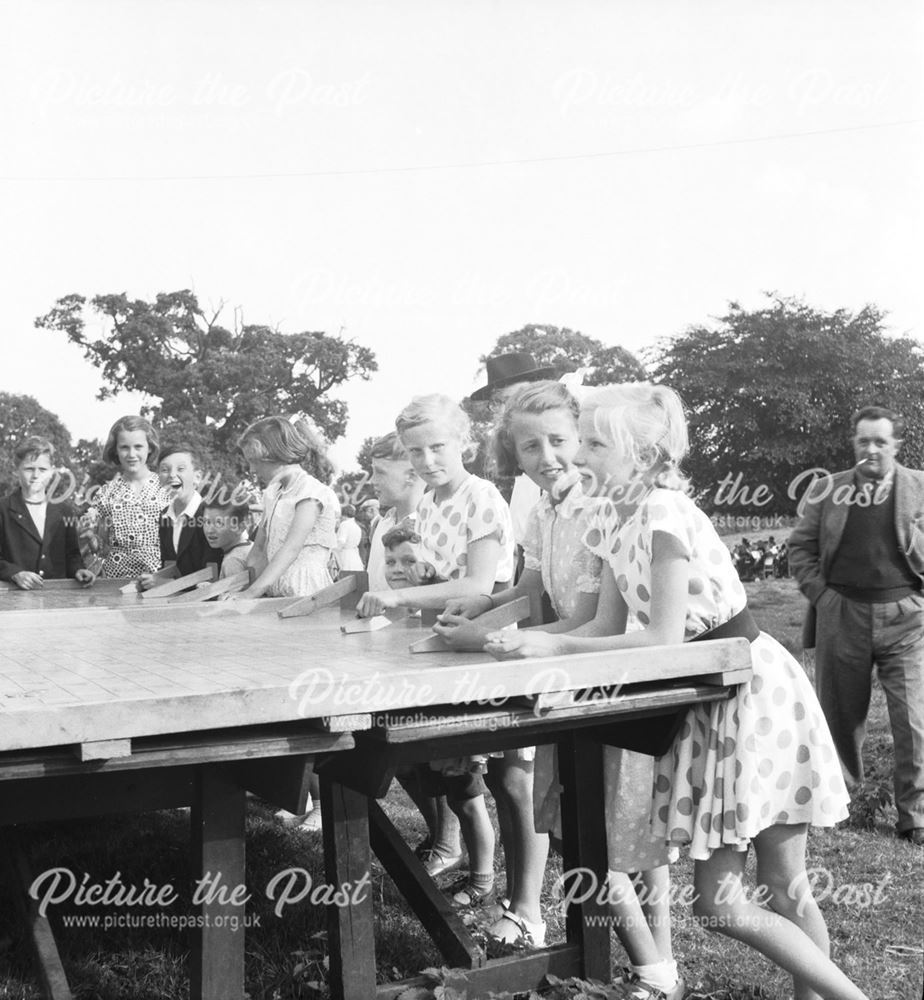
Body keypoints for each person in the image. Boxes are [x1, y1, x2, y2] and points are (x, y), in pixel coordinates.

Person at [485, 384, 865, 1000]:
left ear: (645, 454)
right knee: (724, 901)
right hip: (708, 699)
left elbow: (659, 636)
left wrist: (553, 649)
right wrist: (532, 642)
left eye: (595, 443)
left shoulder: (665, 512)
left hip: (751, 692)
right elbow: (606, 628)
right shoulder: (610, 517)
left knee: (779, 882)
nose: (579, 454)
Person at [357, 394, 515, 914]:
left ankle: (490, 880)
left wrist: (400, 595)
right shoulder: (428, 504)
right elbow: (434, 578)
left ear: (465, 443)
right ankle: (470, 868)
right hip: (442, 649)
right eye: (416, 452)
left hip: (487, 651)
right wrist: (407, 591)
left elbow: (475, 582)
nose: (427, 461)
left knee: (481, 781)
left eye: (437, 448)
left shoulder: (482, 496)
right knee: (445, 772)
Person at [788, 404, 924, 845]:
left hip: (906, 619)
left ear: (896, 444)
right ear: (854, 443)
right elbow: (801, 550)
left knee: (915, 720)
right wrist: (824, 599)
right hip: (842, 613)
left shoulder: (919, 488)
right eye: (863, 440)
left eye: (880, 441)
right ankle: (838, 802)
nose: (871, 449)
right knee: (840, 717)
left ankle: (914, 815)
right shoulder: (827, 490)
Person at [233, 415, 339, 600]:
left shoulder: (311, 492)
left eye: (254, 461)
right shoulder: (272, 493)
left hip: (306, 591)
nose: (251, 469)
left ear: (274, 455)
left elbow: (291, 548)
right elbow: (258, 549)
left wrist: (251, 593)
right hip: (274, 589)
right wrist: (239, 587)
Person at [0, 436, 94, 589]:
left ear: (51, 471)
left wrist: (78, 570)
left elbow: (72, 555)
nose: (36, 475)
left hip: (57, 599)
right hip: (13, 600)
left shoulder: (65, 511)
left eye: (42, 469)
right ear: (17, 469)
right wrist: (15, 573)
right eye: (29, 469)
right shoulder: (2, 509)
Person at [82, 415, 171, 578]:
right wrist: (91, 538)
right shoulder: (105, 493)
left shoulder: (166, 488)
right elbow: (100, 548)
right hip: (116, 582)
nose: (131, 454)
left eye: (138, 446)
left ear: (149, 447)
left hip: (159, 580)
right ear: (115, 449)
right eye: (124, 447)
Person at [139, 444, 219, 588]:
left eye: (180, 469)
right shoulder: (164, 517)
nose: (171, 475)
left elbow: (211, 577)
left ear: (197, 477)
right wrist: (151, 580)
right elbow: (170, 567)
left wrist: (165, 584)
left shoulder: (212, 515)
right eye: (164, 470)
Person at [365, 432, 426, 592]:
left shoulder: (429, 526)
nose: (372, 480)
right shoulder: (383, 523)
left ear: (411, 476)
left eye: (380, 472)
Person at [202, 491, 253, 579]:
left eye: (219, 523)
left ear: (240, 527)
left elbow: (235, 592)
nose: (209, 530)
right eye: (207, 522)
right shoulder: (249, 547)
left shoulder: (233, 561)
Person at [334, 503, 364, 572]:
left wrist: (334, 550)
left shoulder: (344, 524)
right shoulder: (357, 526)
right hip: (355, 556)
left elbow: (341, 541)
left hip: (345, 555)